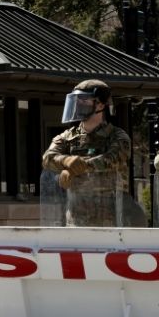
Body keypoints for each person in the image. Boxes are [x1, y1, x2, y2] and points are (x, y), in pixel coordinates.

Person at [42, 79, 130, 227]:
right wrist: (65, 161)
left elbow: (113, 159)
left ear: (100, 104)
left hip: (110, 218)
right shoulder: (67, 136)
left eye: (84, 100)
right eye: (77, 100)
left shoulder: (117, 136)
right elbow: (47, 158)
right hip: (76, 218)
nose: (78, 104)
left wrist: (77, 167)